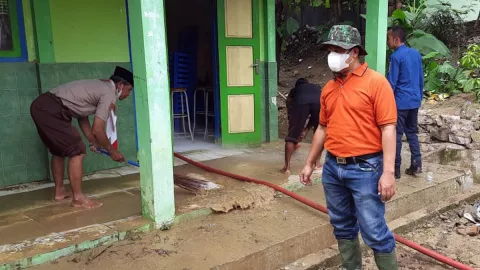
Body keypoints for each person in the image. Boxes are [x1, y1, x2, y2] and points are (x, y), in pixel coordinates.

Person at [300, 25, 399, 269]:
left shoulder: (376, 83)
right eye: (330, 49)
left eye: (337, 50)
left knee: (374, 230)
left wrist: (387, 173)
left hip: (365, 168)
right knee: (342, 225)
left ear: (354, 53)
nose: (332, 54)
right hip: (333, 168)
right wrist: (310, 162)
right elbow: (322, 128)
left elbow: (388, 128)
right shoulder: (329, 89)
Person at [30, 66, 134, 209]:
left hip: (42, 106)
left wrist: (93, 142)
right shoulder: (108, 92)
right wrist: (111, 150)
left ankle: (59, 191)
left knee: (58, 150)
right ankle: (78, 198)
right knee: (78, 151)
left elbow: (81, 116)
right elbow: (98, 129)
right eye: (130, 90)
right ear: (120, 85)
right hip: (52, 109)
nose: (128, 94)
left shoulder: (99, 86)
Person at [387, 26, 424, 179]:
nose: (388, 42)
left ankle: (395, 169)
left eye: (389, 39)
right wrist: (419, 97)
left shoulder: (396, 57)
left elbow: (391, 83)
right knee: (412, 133)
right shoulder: (416, 54)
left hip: (400, 103)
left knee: (396, 135)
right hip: (414, 101)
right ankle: (417, 164)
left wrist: (386, 102)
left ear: (396, 39)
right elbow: (421, 79)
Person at [282, 78, 321, 174]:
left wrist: (290, 117)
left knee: (291, 137)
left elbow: (289, 102)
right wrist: (307, 127)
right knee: (319, 133)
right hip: (319, 103)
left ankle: (287, 168)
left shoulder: (295, 90)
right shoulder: (316, 88)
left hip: (301, 103)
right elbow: (314, 113)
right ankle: (317, 164)